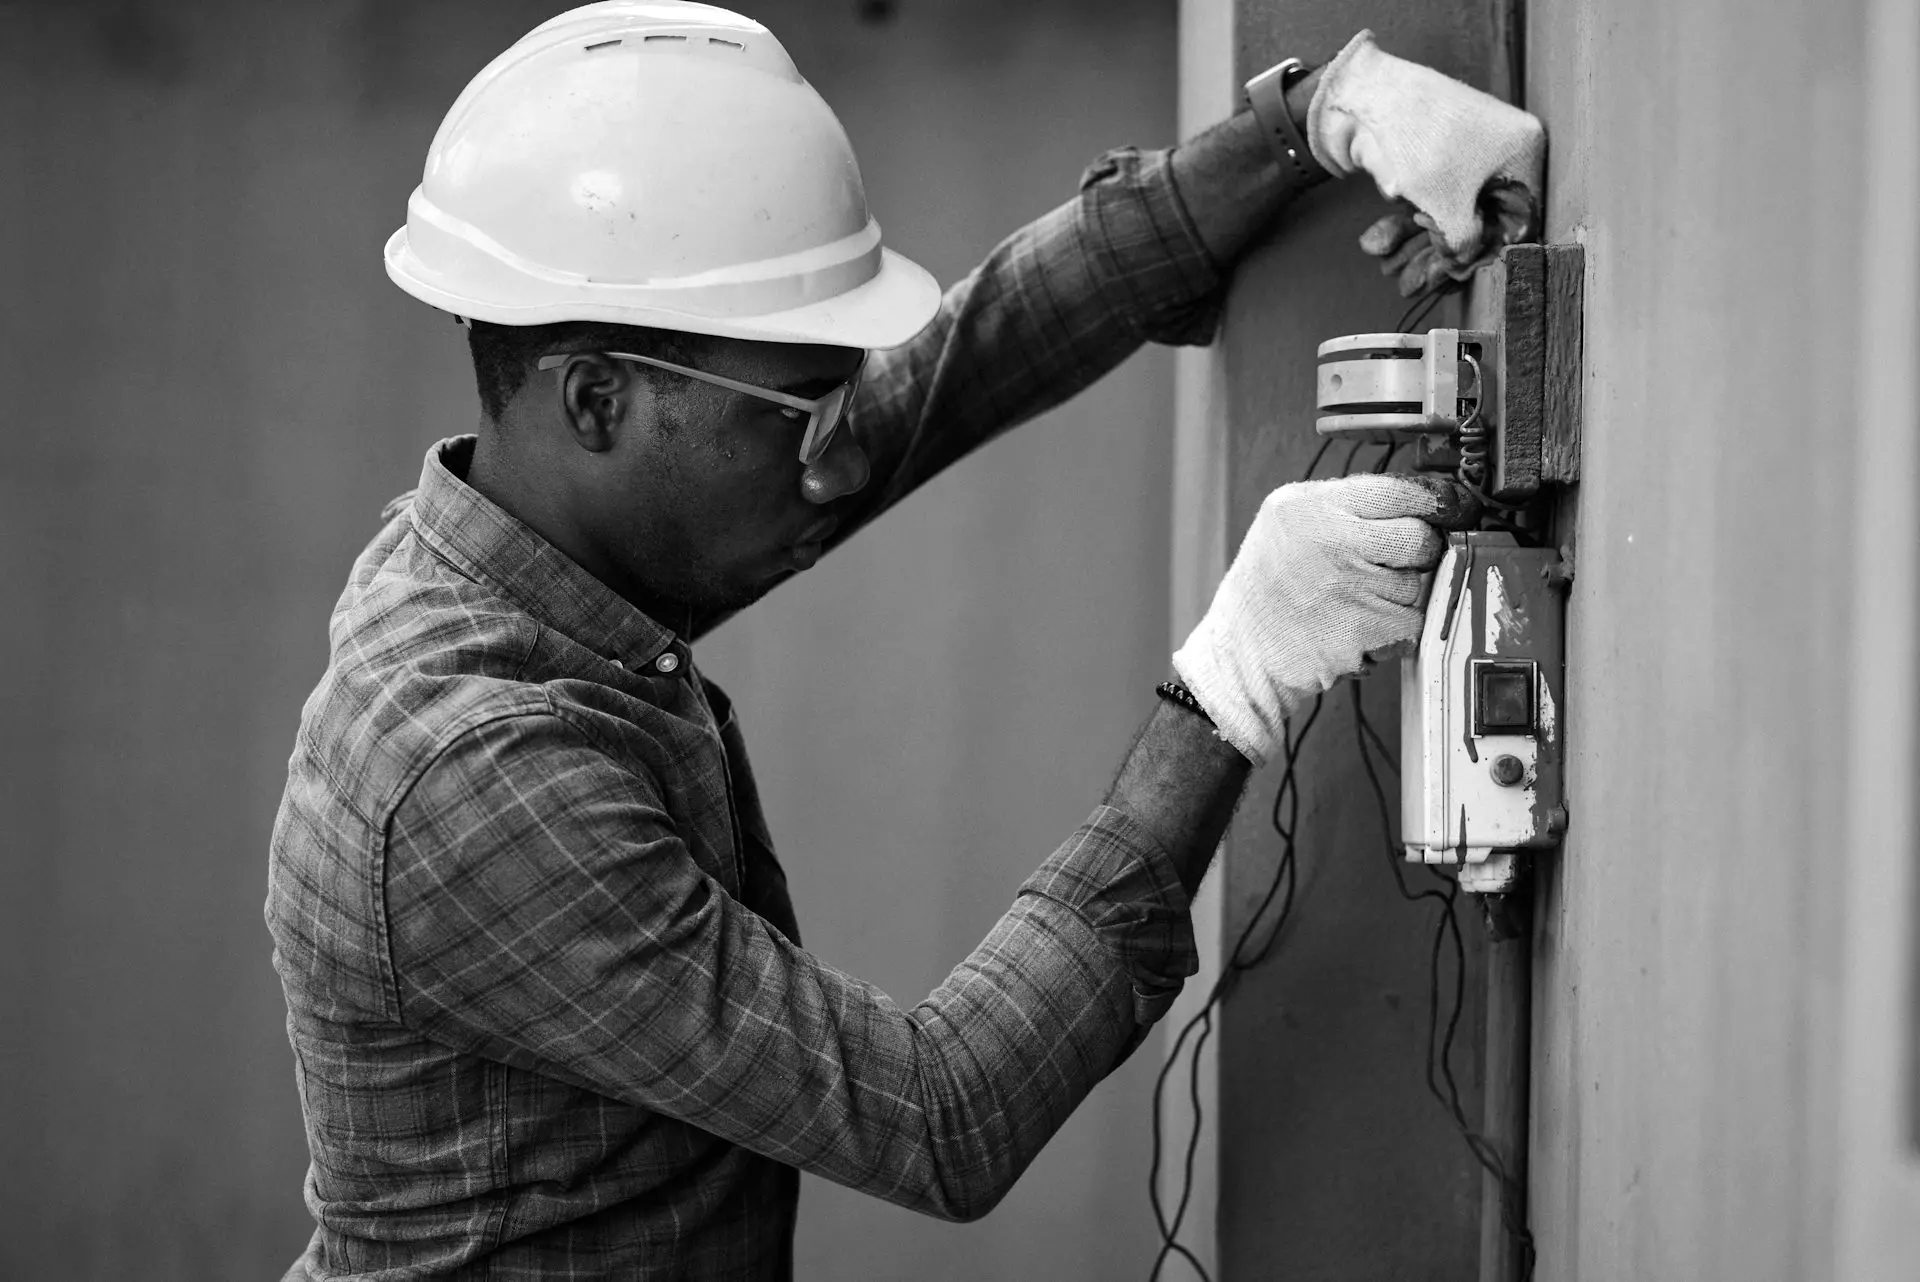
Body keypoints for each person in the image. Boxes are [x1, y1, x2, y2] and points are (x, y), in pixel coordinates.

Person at [265, 4, 1545, 1278]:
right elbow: (941, 1115)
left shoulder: (531, 546)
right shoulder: (477, 774)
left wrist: (1311, 121)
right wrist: (1231, 683)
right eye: (800, 415)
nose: (834, 469)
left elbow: (966, 357)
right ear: (600, 398)